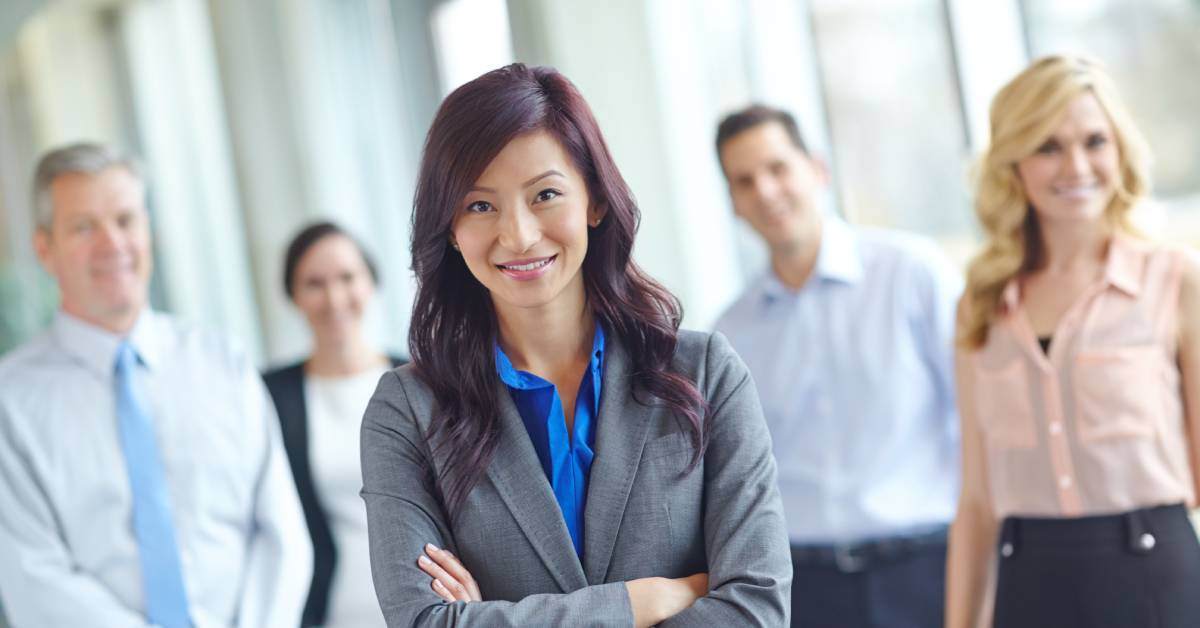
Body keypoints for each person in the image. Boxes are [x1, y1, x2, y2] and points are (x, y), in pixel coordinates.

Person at [360, 63, 792, 626]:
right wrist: (638, 603)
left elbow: (755, 608)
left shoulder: (704, 373)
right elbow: (422, 622)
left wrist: (494, 618)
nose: (518, 235)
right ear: (450, 227)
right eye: (480, 205)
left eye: (544, 194)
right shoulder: (407, 411)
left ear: (595, 201)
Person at [0, 143, 311, 627]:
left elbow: (281, 535)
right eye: (84, 227)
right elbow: (32, 578)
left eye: (125, 220)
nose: (112, 244)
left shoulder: (222, 361)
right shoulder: (11, 402)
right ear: (45, 248)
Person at [946, 55, 1200, 628]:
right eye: (1047, 146)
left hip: (1157, 577)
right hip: (1029, 585)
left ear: (1120, 151)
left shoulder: (1176, 280)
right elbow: (978, 502)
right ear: (1013, 163)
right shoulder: (981, 302)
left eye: (1094, 141)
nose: (1076, 166)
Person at [712, 105, 962, 628]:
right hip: (806, 591)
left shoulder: (912, 275)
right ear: (734, 202)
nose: (766, 191)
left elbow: (981, 423)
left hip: (927, 573)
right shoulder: (730, 334)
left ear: (817, 170)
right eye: (745, 180)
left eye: (778, 168)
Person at [264, 221, 404, 628]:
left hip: (427, 609)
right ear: (293, 295)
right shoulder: (271, 397)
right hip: (327, 613)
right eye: (314, 283)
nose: (334, 297)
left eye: (347, 277)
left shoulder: (424, 383)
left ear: (372, 283)